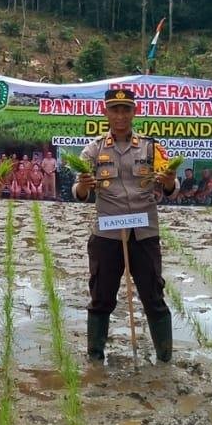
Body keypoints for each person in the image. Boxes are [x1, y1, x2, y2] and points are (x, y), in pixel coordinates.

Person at [73, 89, 178, 363]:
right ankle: (95, 358)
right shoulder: (93, 150)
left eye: (125, 110)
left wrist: (168, 181)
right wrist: (83, 187)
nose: (120, 116)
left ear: (134, 112)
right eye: (115, 110)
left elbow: (171, 187)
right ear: (106, 112)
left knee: (153, 296)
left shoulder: (151, 148)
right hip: (107, 234)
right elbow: (79, 192)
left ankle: (164, 357)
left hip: (144, 233)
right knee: (101, 297)